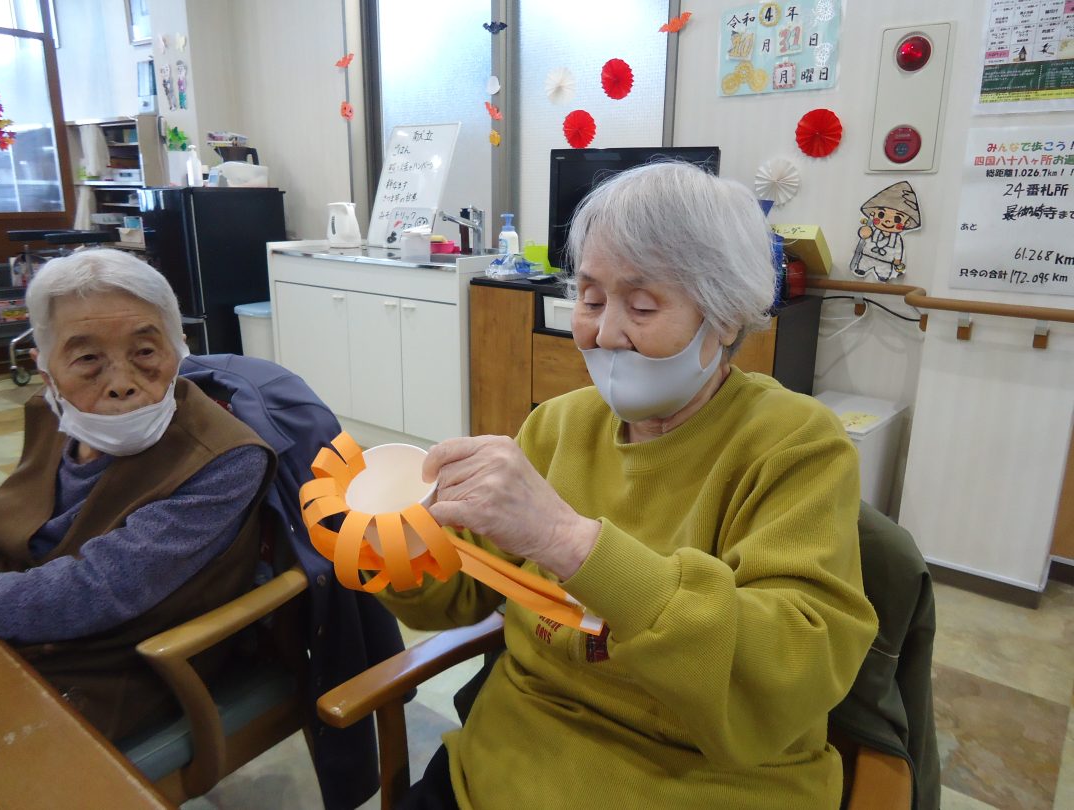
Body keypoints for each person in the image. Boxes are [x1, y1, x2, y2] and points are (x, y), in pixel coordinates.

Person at [376, 162, 879, 809]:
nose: (605, 332)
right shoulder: (557, 424)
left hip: (701, 779)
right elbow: (457, 594)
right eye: (590, 300)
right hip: (508, 762)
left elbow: (789, 669)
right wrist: (395, 543)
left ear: (726, 318)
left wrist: (569, 542)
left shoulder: (796, 444)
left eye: (642, 306)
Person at [0, 249, 274, 741]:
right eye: (87, 360)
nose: (121, 384)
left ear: (178, 349)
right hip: (25, 625)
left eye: (145, 352)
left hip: (113, 665)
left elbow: (96, 591)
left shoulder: (225, 458)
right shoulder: (52, 413)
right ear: (47, 372)